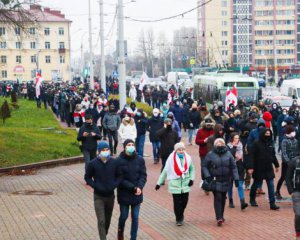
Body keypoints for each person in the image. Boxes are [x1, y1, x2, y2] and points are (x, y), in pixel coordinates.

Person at [85, 141, 121, 240]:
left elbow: (119, 176)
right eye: (103, 150)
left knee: (107, 220)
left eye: (107, 150)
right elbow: (87, 177)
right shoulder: (93, 163)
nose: (105, 152)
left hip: (110, 196)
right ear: (99, 151)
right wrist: (95, 186)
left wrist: (114, 185)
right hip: (98, 196)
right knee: (101, 220)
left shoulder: (114, 162)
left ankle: (104, 234)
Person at [155, 142, 195, 226]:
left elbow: (192, 169)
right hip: (174, 184)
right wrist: (159, 183)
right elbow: (165, 171)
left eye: (182, 149)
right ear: (176, 150)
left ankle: (181, 213)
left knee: (184, 201)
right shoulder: (170, 159)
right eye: (179, 150)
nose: (181, 151)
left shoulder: (188, 158)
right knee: (177, 203)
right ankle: (178, 218)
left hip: (185, 183)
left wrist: (191, 179)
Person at [202, 138, 239, 226]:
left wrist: (236, 178)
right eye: (217, 143)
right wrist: (207, 176)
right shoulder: (210, 154)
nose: (219, 144)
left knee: (223, 198)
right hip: (215, 179)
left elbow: (233, 167)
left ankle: (221, 215)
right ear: (215, 145)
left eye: (221, 143)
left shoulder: (228, 154)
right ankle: (219, 217)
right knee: (218, 197)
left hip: (226, 179)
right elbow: (204, 166)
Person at [116, 139, 147, 240]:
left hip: (137, 193)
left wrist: (139, 187)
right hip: (124, 193)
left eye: (132, 145)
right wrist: (132, 187)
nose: (131, 147)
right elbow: (119, 179)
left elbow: (143, 175)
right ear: (124, 147)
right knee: (124, 216)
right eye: (128, 145)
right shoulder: (118, 161)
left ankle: (133, 238)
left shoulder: (140, 159)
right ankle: (120, 232)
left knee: (135, 217)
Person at [248, 129, 280, 210]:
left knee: (271, 185)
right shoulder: (256, 143)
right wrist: (251, 167)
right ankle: (252, 199)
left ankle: (272, 203)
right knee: (256, 184)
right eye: (266, 133)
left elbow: (273, 155)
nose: (268, 134)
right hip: (258, 168)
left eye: (269, 133)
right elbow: (251, 156)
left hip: (269, 168)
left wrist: (276, 165)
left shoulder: (271, 143)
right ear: (263, 134)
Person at [276, 125, 299, 199]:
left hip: (295, 162)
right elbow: (284, 152)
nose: (293, 133)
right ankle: (277, 191)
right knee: (283, 177)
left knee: (294, 177)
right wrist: (288, 162)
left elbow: (297, 151)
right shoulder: (284, 140)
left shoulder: (295, 140)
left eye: (294, 131)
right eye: (292, 131)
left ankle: (294, 192)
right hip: (286, 163)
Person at [227, 133, 248, 210]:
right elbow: (230, 155)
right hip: (231, 168)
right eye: (235, 138)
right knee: (230, 185)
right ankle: (230, 200)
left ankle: (242, 202)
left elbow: (244, 156)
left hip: (240, 167)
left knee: (240, 185)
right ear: (232, 139)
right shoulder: (228, 146)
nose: (237, 140)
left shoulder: (241, 145)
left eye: (238, 138)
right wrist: (234, 147)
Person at [286, 154, 300, 239]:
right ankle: (298, 232)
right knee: (298, 214)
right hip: (297, 192)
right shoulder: (294, 161)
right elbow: (288, 177)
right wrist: (291, 191)